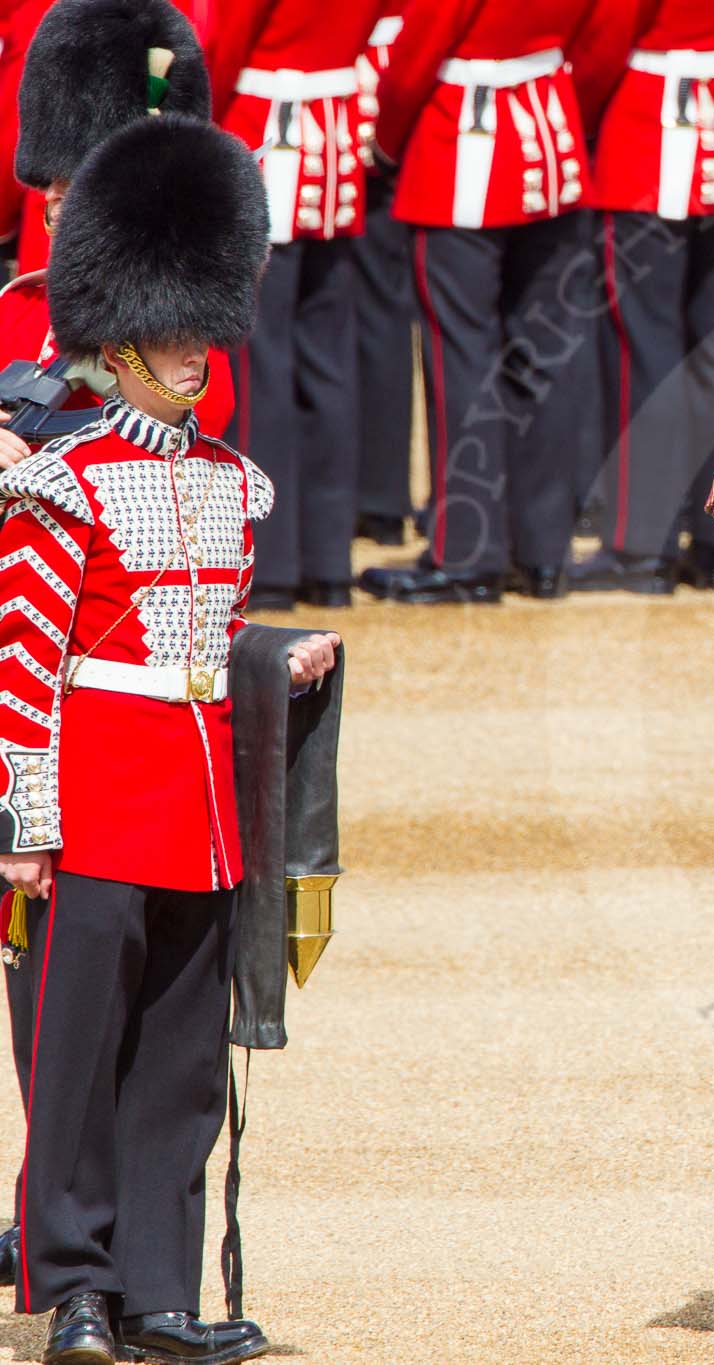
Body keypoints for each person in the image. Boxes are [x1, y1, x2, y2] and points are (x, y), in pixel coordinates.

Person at [0, 112, 338, 1365]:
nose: (194, 354)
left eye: (201, 326)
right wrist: (26, 825)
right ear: (116, 336)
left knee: (185, 1066)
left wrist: (275, 661)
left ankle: (158, 1292)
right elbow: (26, 664)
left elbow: (215, 643)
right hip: (91, 801)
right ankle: (77, 1288)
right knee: (76, 1058)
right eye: (171, 331)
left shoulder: (235, 487)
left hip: (200, 809)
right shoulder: (56, 482)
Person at [357, 0, 630, 605]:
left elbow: (413, 59)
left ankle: (467, 555)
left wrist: (388, 143)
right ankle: (541, 552)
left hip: (463, 143)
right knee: (543, 357)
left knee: (462, 362)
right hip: (549, 134)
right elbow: (605, 36)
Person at [576, 0, 714, 595]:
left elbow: (605, 44)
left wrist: (583, 114)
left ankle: (641, 545)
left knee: (645, 357)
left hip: (651, 136)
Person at [208, 0, 387, 609]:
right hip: (331, 146)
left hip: (263, 140)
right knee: (329, 364)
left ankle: (272, 560)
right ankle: (328, 562)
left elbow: (223, 50)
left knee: (260, 367)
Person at [0, 0, 235, 452]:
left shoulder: (183, 331)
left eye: (72, 187)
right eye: (55, 185)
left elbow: (203, 425)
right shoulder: (19, 311)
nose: (51, 197)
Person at [347, 0, 418, 548]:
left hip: (351, 96)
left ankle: (370, 497)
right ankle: (381, 498)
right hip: (384, 88)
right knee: (381, 315)